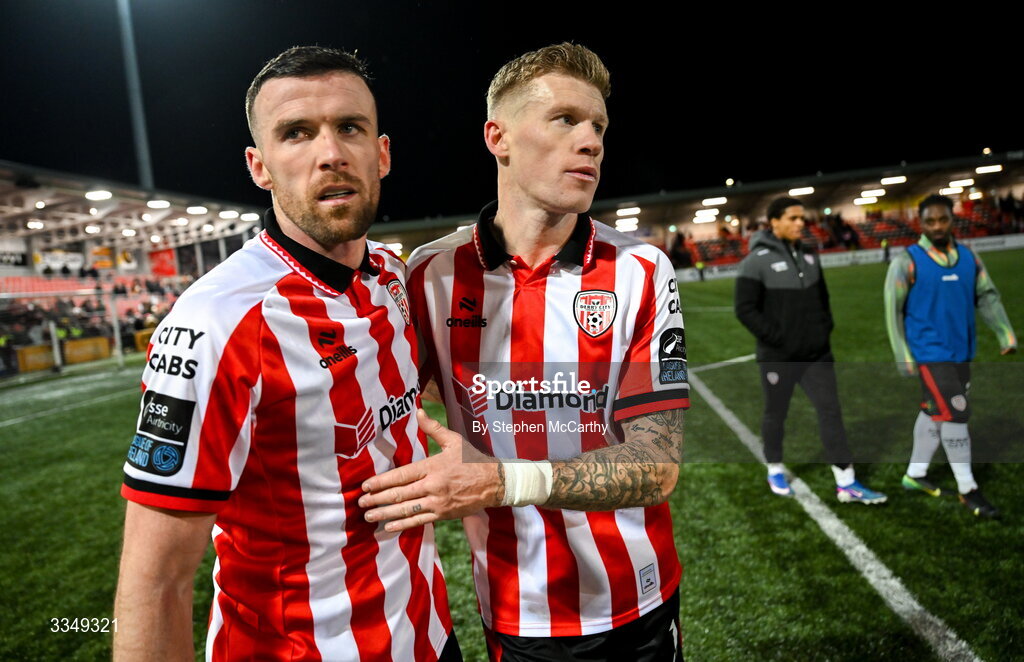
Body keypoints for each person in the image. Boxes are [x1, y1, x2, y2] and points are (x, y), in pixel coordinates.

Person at [113, 46, 460, 661]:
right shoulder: (216, 325)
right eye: (296, 133)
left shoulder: (389, 277)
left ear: (382, 154)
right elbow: (156, 583)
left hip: (430, 636)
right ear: (260, 166)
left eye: (350, 127)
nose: (330, 153)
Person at [358, 43, 685, 661]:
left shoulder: (642, 269)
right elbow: (389, 405)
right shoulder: (430, 274)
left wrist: (498, 480)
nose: (591, 141)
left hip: (636, 600)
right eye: (565, 119)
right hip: (516, 607)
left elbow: (658, 464)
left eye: (598, 127)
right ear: (497, 137)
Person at [734, 196, 887, 503]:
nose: (800, 224)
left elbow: (823, 300)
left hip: (816, 355)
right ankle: (774, 468)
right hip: (778, 357)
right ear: (774, 221)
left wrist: (822, 330)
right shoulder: (756, 261)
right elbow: (745, 308)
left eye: (802, 218)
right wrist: (779, 338)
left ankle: (846, 482)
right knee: (776, 414)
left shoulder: (810, 255)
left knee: (831, 412)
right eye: (793, 218)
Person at [884, 194, 1017, 518]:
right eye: (930, 221)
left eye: (943, 220)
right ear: (921, 223)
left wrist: (1005, 332)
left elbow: (987, 295)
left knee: (934, 413)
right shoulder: (907, 261)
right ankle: (967, 488)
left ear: (952, 219)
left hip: (961, 351)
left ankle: (915, 475)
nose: (937, 226)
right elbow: (893, 310)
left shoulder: (969, 257)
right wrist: (902, 353)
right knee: (956, 413)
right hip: (930, 353)